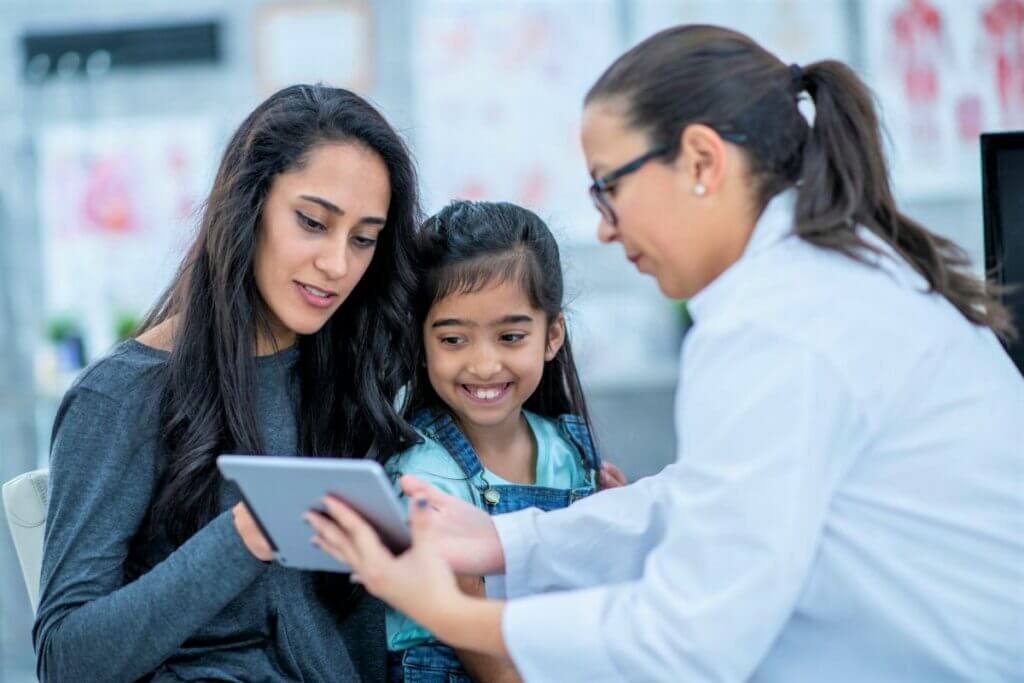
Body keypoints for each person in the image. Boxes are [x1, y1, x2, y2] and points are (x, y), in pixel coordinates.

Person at [306, 25, 1024, 682]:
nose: (605, 228)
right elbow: (703, 498)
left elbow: (687, 640)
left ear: (702, 161)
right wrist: (504, 540)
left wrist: (451, 610)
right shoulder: (827, 280)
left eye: (609, 187)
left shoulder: (776, 325)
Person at [34, 84, 422, 682]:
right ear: (248, 207)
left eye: (363, 239)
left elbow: (358, 634)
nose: (338, 264)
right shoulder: (122, 396)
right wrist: (243, 534)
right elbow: (66, 661)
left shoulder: (343, 378)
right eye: (313, 222)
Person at [379, 200, 626, 682]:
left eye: (510, 336)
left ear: (552, 335)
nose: (485, 365)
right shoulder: (424, 475)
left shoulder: (569, 450)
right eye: (454, 340)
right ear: (421, 341)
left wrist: (614, 527)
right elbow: (486, 659)